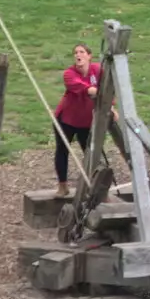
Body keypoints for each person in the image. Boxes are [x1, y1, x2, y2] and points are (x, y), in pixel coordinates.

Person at [53, 43, 102, 197]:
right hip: (66, 119)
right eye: (75, 52)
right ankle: (63, 186)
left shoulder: (98, 70)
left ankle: (95, 187)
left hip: (86, 121)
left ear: (89, 56)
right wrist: (92, 90)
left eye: (81, 52)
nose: (78, 55)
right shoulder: (69, 73)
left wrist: (111, 107)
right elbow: (78, 86)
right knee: (62, 150)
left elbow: (107, 89)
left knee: (90, 153)